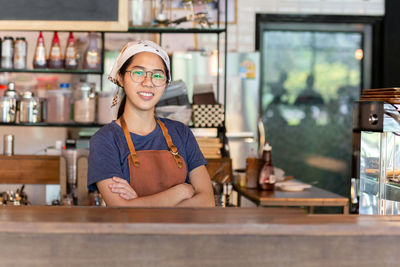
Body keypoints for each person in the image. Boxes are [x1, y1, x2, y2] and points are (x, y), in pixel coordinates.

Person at [87, 40, 215, 207]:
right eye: (138, 73)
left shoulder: (181, 133)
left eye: (157, 75)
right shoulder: (105, 140)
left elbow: (207, 201)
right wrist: (181, 192)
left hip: (182, 234)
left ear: (166, 84)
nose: (148, 82)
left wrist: (138, 204)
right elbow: (120, 208)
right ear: (120, 77)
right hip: (132, 234)